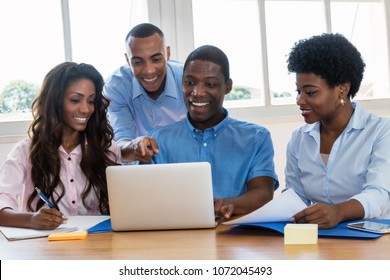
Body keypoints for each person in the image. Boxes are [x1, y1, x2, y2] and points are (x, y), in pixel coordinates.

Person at [149, 45, 279, 220]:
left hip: (233, 236)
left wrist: (228, 204)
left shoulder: (256, 138)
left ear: (227, 86)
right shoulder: (159, 138)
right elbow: (147, 198)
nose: (197, 92)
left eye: (210, 84)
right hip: (175, 237)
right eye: (189, 82)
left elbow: (263, 193)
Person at [0, 62, 134, 230]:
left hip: (97, 243)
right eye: (75, 100)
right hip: (45, 247)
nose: (86, 109)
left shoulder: (107, 149)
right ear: (54, 101)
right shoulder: (25, 151)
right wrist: (31, 219)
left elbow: (126, 205)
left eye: (91, 101)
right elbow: (2, 201)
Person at [285, 33, 390, 229]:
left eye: (310, 92)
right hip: (318, 238)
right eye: (298, 91)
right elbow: (294, 196)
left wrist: (337, 212)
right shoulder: (299, 139)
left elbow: (379, 195)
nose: (300, 100)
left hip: (373, 238)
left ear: (342, 89)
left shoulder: (381, 131)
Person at [104, 23, 187, 163]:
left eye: (156, 59)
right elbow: (121, 141)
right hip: (140, 170)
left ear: (167, 53)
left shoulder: (187, 80)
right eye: (137, 62)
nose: (149, 70)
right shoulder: (116, 87)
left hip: (185, 164)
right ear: (127, 60)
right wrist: (133, 145)